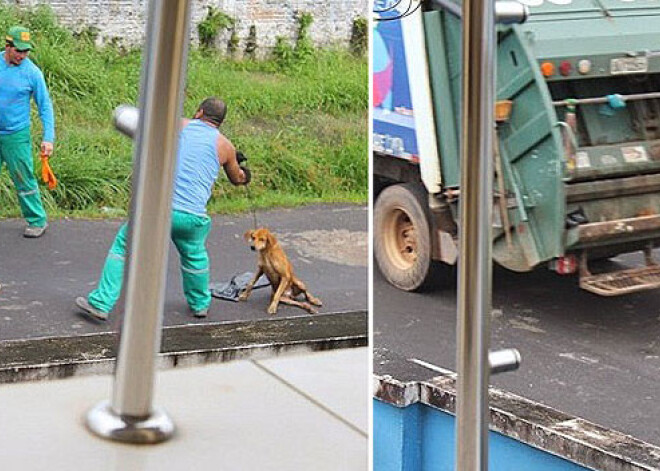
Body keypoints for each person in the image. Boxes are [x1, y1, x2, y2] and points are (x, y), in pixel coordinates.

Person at [75, 97, 249, 321]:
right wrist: (238, 164)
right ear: (220, 122)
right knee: (195, 257)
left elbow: (145, 128)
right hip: (192, 218)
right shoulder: (225, 146)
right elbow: (238, 178)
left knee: (123, 246)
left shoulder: (180, 124)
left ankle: (100, 302)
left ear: (199, 112)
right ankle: (200, 304)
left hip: (159, 210)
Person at [0, 26, 55, 238]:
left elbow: (45, 106)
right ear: (8, 47)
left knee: (24, 179)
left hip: (16, 135)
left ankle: (37, 220)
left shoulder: (32, 73)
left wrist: (48, 138)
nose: (23, 56)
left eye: (26, 51)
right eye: (18, 51)